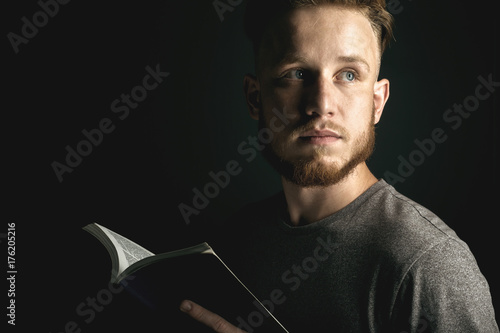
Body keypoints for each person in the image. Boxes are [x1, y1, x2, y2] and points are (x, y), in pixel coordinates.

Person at [178, 0, 499, 331]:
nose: (321, 104)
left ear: (376, 103)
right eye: (296, 73)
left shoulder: (428, 265)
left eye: (348, 74)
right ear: (255, 99)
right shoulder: (233, 243)